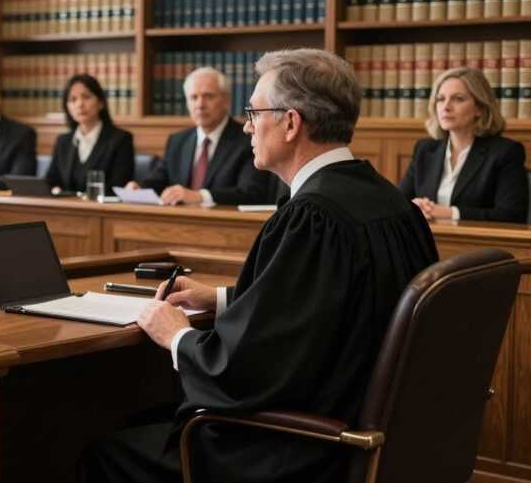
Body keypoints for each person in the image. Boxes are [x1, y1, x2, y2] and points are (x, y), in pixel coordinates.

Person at [79, 49, 439, 483]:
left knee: (105, 450)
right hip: (372, 432)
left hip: (301, 447)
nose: (247, 125)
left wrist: (175, 336)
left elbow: (244, 373)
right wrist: (218, 297)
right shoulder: (391, 201)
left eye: (254, 111)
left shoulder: (314, 215)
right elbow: (327, 304)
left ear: (290, 123)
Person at [399, 67, 528, 223]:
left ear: (479, 108)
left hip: (480, 244)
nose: (446, 107)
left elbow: (511, 215)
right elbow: (397, 202)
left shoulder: (506, 152)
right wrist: (414, 205)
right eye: (440, 99)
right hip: (426, 239)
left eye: (458, 99)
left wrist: (450, 213)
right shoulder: (425, 149)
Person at [128, 67, 270, 205]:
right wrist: (139, 189)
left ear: (226, 101)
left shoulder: (248, 139)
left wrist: (200, 196)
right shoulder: (178, 141)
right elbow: (159, 180)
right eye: (193, 97)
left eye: (208, 96)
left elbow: (251, 192)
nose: (200, 104)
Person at [44, 74, 134, 195]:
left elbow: (119, 186)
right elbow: (50, 181)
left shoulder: (120, 139)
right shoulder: (63, 141)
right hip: (65, 209)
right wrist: (55, 189)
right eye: (73, 99)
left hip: (102, 211)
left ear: (101, 102)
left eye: (86, 97)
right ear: (67, 107)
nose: (80, 104)